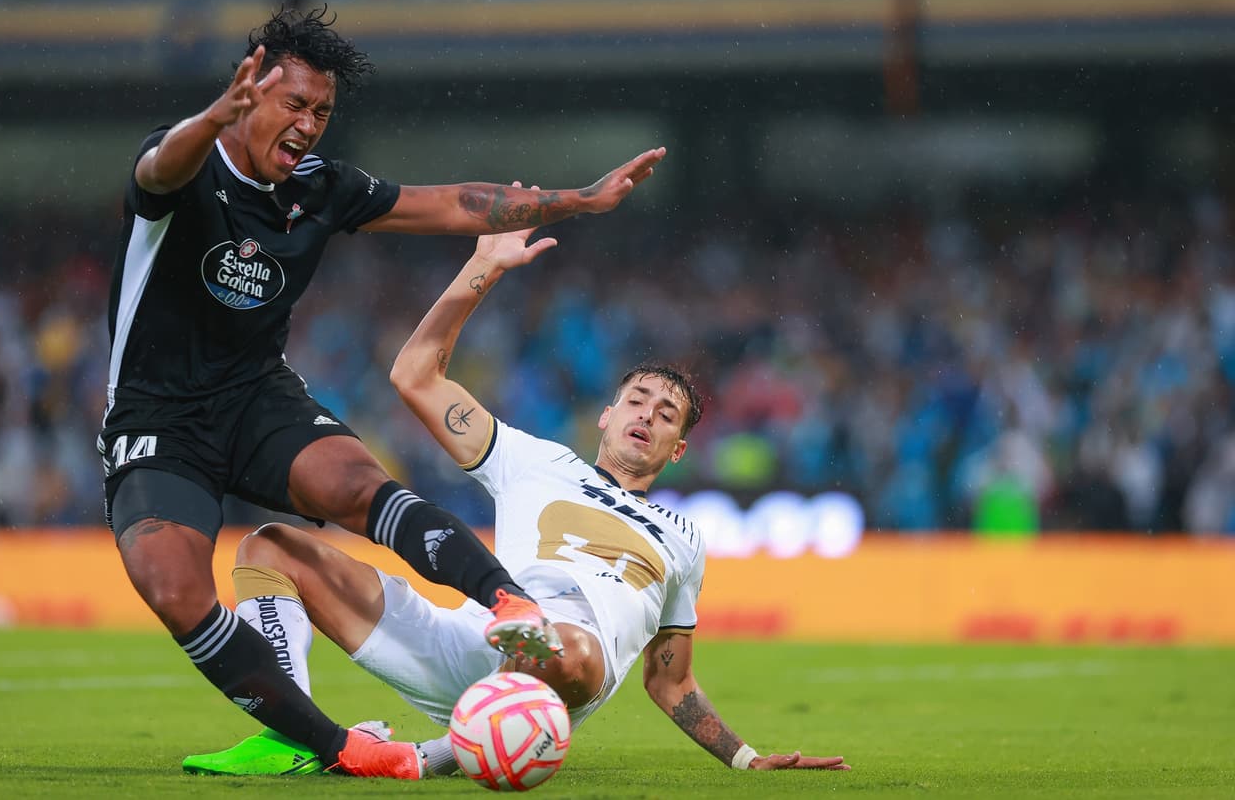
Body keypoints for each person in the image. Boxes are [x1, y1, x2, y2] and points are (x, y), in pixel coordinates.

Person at [100, 5, 665, 779]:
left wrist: (580, 199)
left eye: (321, 112)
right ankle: (337, 746)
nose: (307, 125)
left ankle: (509, 604)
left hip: (256, 395)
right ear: (248, 95)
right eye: (292, 104)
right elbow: (156, 168)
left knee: (356, 483)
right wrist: (211, 118)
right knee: (170, 584)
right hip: (156, 417)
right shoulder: (187, 167)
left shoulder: (319, 187)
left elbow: (451, 203)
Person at [181, 220, 850, 778]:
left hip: (564, 667)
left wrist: (745, 757)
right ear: (607, 416)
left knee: (576, 650)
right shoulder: (535, 461)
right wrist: (483, 267)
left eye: (668, 412)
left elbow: (669, 681)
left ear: (678, 448)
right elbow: (414, 375)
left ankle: (425, 754)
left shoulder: (682, 538)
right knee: (270, 547)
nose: (648, 413)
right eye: (637, 400)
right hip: (471, 634)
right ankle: (296, 733)